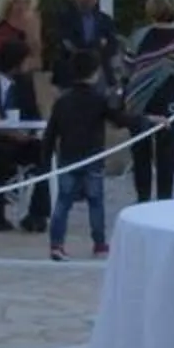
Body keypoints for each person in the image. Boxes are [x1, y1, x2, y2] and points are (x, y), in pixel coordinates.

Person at [0, 0, 48, 229]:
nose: (21, 6)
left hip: (20, 84)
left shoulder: (31, 27)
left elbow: (37, 57)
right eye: (17, 1)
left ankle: (37, 214)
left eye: (25, 2)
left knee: (44, 151)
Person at [120, 0, 174, 201]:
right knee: (166, 155)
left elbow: (127, 66)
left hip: (138, 99)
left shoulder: (139, 36)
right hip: (169, 99)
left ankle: (142, 199)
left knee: (140, 152)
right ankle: (164, 200)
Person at [40, 68, 112, 260]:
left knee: (63, 202)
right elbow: (119, 119)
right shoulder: (98, 99)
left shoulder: (62, 101)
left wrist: (45, 159)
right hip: (92, 158)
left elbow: (51, 132)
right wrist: (145, 121)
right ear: (94, 74)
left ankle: (56, 245)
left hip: (68, 158)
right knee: (96, 202)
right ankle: (99, 244)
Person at [52, 0, 117, 89]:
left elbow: (112, 46)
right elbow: (64, 43)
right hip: (70, 77)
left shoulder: (106, 20)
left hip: (100, 76)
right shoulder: (63, 18)